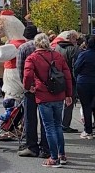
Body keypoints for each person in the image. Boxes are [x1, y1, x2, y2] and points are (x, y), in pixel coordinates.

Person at [23, 33, 73, 168]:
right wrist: (69, 94)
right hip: (59, 94)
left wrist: (28, 87)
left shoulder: (32, 57)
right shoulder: (57, 56)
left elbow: (27, 75)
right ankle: (62, 154)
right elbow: (67, 75)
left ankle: (54, 158)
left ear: (36, 44)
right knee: (58, 126)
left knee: (49, 127)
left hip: (43, 95)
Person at [17, 25, 50, 159]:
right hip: (45, 88)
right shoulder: (49, 49)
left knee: (30, 118)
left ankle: (32, 147)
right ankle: (45, 147)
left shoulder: (23, 48)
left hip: (30, 88)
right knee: (45, 119)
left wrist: (26, 86)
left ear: (25, 36)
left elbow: (20, 70)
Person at [73, 36, 95, 139]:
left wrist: (76, 76)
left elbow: (76, 67)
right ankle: (90, 127)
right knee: (91, 105)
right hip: (94, 81)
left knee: (85, 105)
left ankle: (88, 130)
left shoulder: (83, 54)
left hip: (83, 81)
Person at [54, 30, 79, 133]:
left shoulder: (57, 47)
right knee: (69, 103)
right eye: (75, 39)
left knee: (58, 102)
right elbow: (74, 66)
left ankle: (57, 122)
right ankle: (65, 124)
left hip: (57, 78)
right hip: (69, 79)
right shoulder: (73, 49)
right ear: (72, 39)